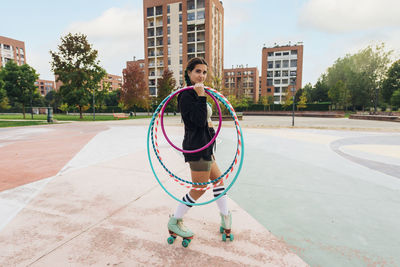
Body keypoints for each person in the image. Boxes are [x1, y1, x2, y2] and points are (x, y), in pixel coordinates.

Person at [167, 57, 232, 241]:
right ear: (189, 73)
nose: (201, 76)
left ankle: (226, 217)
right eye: (197, 71)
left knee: (218, 181)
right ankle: (175, 220)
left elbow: (208, 122)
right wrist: (202, 96)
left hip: (206, 145)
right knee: (200, 187)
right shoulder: (186, 95)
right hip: (196, 147)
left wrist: (212, 139)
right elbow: (197, 120)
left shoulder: (199, 91)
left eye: (204, 72)